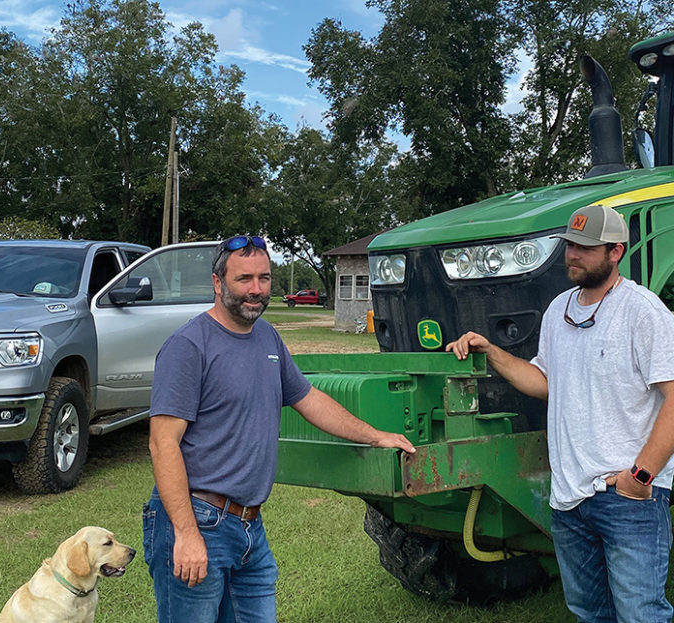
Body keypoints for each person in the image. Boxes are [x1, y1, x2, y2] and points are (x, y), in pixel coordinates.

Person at [142, 234, 415, 623]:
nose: (256, 290)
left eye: (264, 278)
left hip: (250, 526)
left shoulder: (267, 337)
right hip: (199, 519)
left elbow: (309, 400)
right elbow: (162, 444)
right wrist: (186, 533)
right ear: (218, 284)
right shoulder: (189, 346)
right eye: (244, 279)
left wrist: (375, 435)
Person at [446, 205, 674, 623]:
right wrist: (493, 353)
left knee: (641, 614)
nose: (573, 255)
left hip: (626, 497)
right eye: (570, 245)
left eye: (586, 248)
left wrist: (641, 476)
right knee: (589, 612)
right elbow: (546, 381)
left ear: (615, 251)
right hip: (569, 500)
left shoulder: (644, 313)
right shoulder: (559, 310)